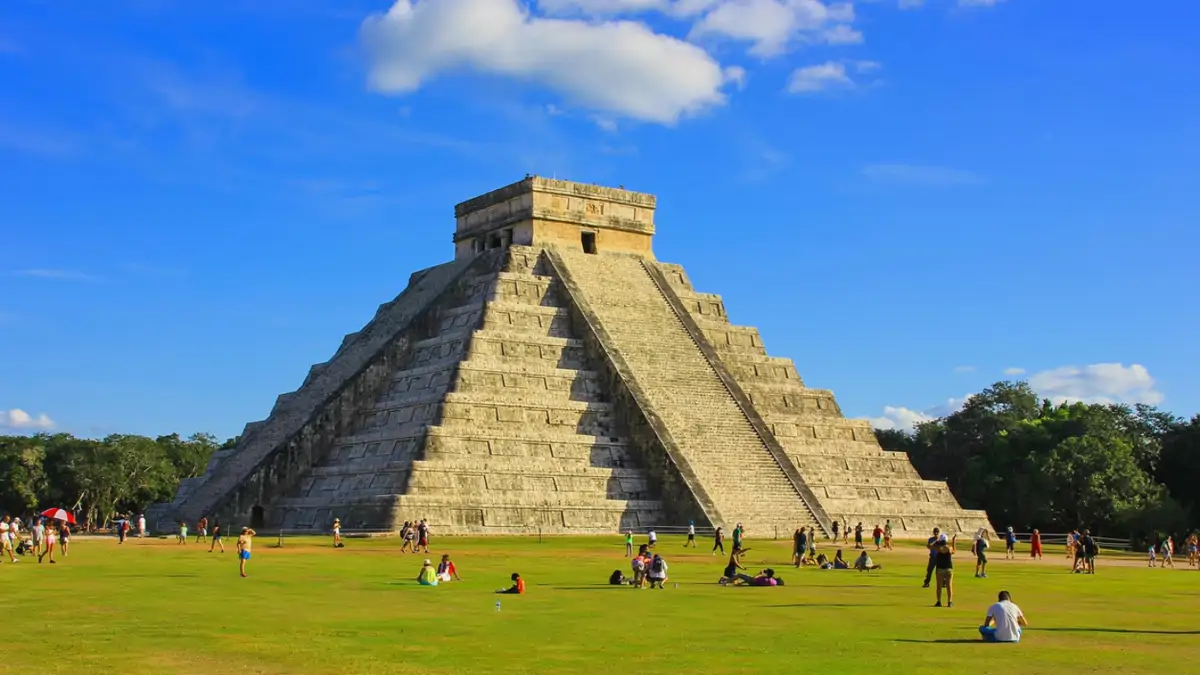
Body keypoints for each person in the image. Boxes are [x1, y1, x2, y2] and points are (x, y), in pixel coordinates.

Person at [931, 534, 957, 607]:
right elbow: (954, 551)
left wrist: (936, 541)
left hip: (940, 569)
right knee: (949, 586)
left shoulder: (938, 548)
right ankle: (950, 602)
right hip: (949, 568)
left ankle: (939, 602)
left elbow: (929, 546)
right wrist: (953, 540)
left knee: (939, 586)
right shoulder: (949, 548)